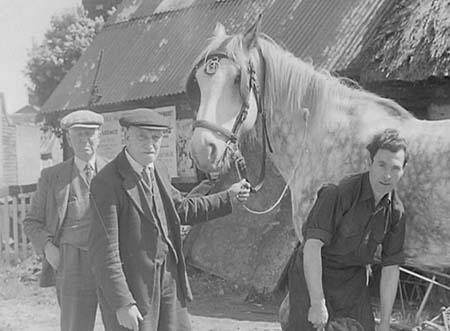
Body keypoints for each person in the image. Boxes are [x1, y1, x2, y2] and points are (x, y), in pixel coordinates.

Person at [88, 108, 251, 331]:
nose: (150, 144)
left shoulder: (158, 170)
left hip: (169, 280)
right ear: (125, 136)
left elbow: (182, 209)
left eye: (156, 137)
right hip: (134, 288)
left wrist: (228, 199)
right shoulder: (106, 182)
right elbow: (105, 252)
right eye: (142, 137)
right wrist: (122, 303)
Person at [278, 128, 408, 331]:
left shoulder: (396, 212)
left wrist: (384, 323)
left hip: (352, 280)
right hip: (314, 273)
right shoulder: (338, 193)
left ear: (403, 171)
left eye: (395, 168)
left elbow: (391, 268)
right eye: (381, 165)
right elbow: (312, 248)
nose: (387, 175)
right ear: (369, 163)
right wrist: (317, 302)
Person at [24, 110, 107, 331]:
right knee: (75, 327)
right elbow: (31, 222)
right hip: (71, 265)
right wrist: (48, 247)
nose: (84, 139)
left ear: (100, 136)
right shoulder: (52, 177)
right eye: (78, 134)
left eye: (90, 133)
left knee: (123, 324)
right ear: (69, 139)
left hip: (111, 262)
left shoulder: (114, 172)